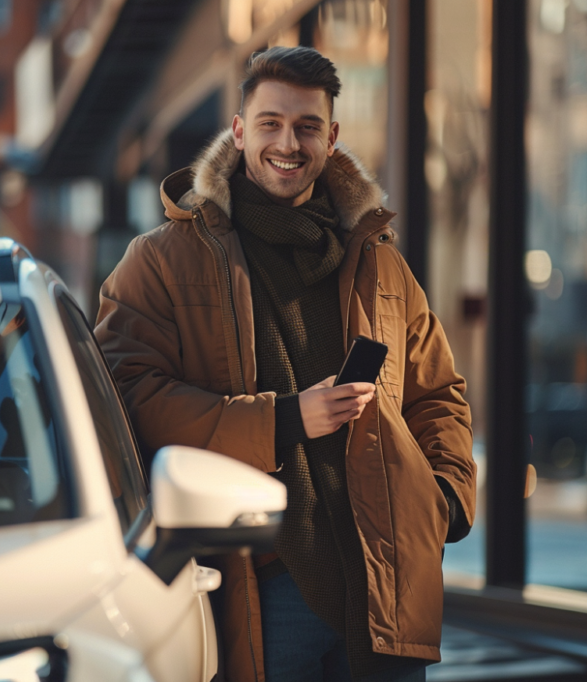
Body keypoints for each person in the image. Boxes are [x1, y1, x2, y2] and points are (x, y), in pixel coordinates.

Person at [95, 46, 475, 682]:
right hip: (261, 585)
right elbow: (130, 399)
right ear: (239, 131)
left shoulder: (380, 262)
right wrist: (284, 420)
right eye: (270, 123)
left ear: (331, 137)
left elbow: (438, 393)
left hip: (386, 587)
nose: (287, 143)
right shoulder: (160, 259)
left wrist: (444, 500)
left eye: (305, 126)